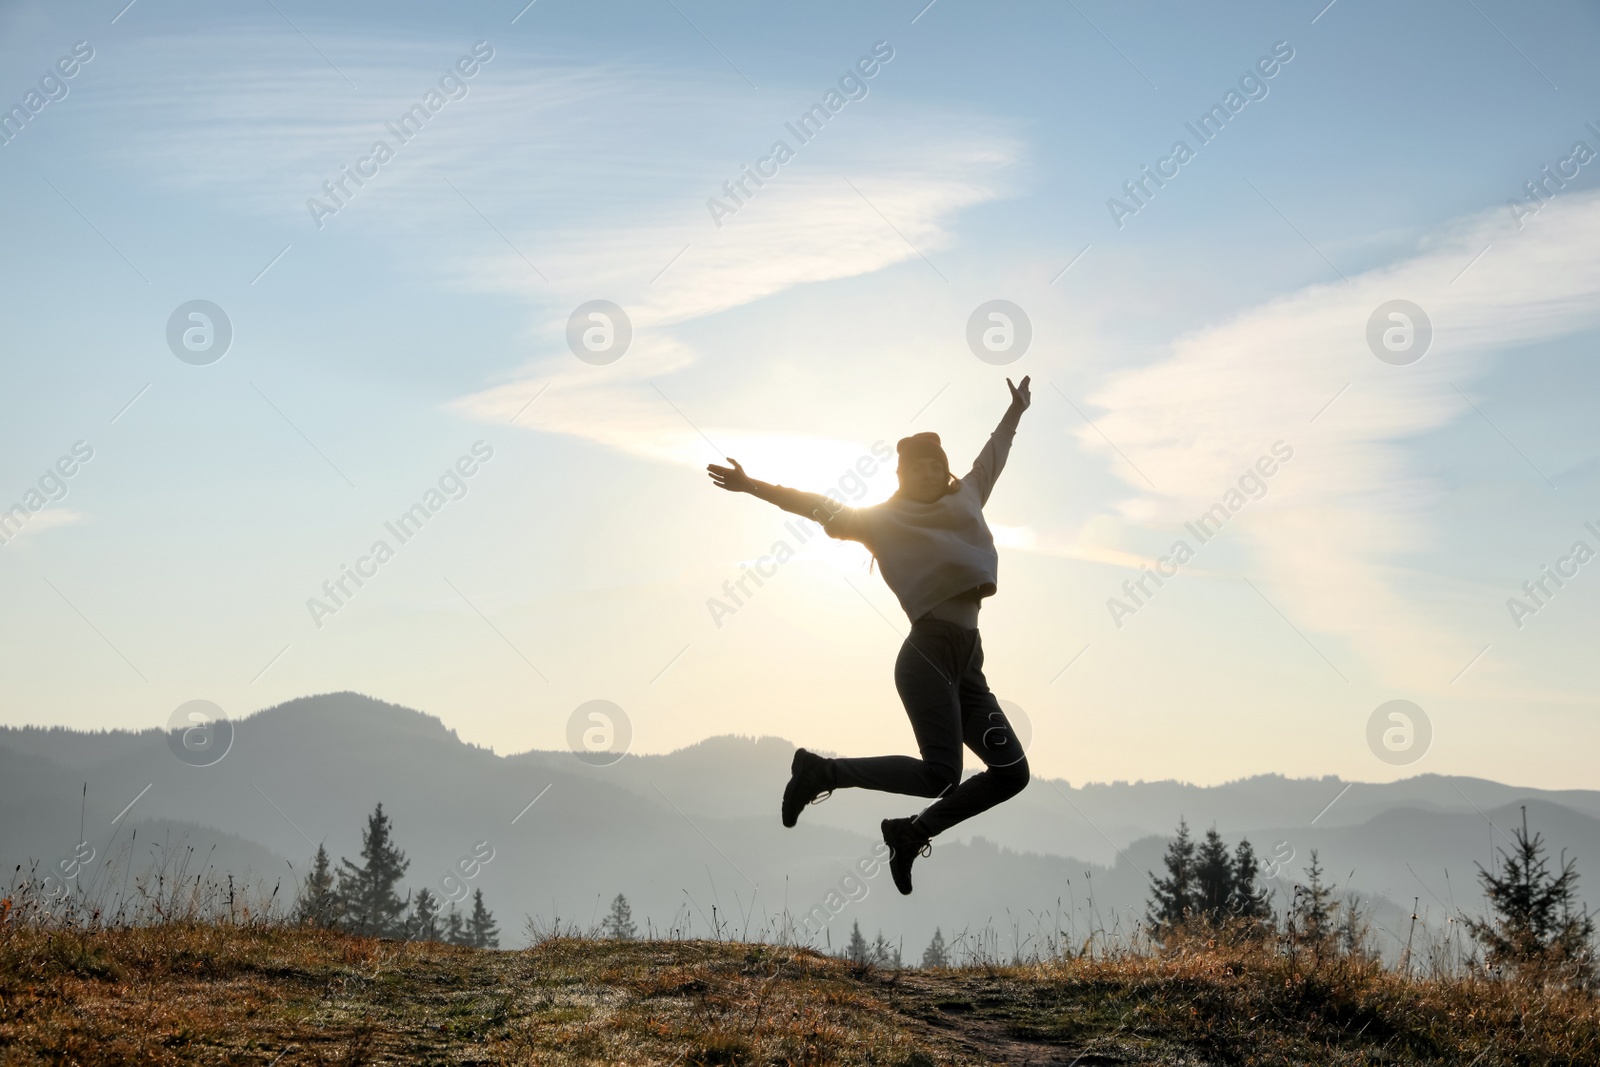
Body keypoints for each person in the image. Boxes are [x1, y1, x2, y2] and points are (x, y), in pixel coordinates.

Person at [705, 377, 1032, 894]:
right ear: (900, 475)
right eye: (916, 466)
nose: (928, 471)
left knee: (1011, 772)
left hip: (968, 661)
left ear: (944, 470)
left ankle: (911, 834)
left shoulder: (968, 495)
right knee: (941, 774)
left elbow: (995, 454)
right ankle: (821, 773)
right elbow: (813, 504)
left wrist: (1016, 411)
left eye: (935, 463)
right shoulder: (882, 520)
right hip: (927, 654)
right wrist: (754, 486)